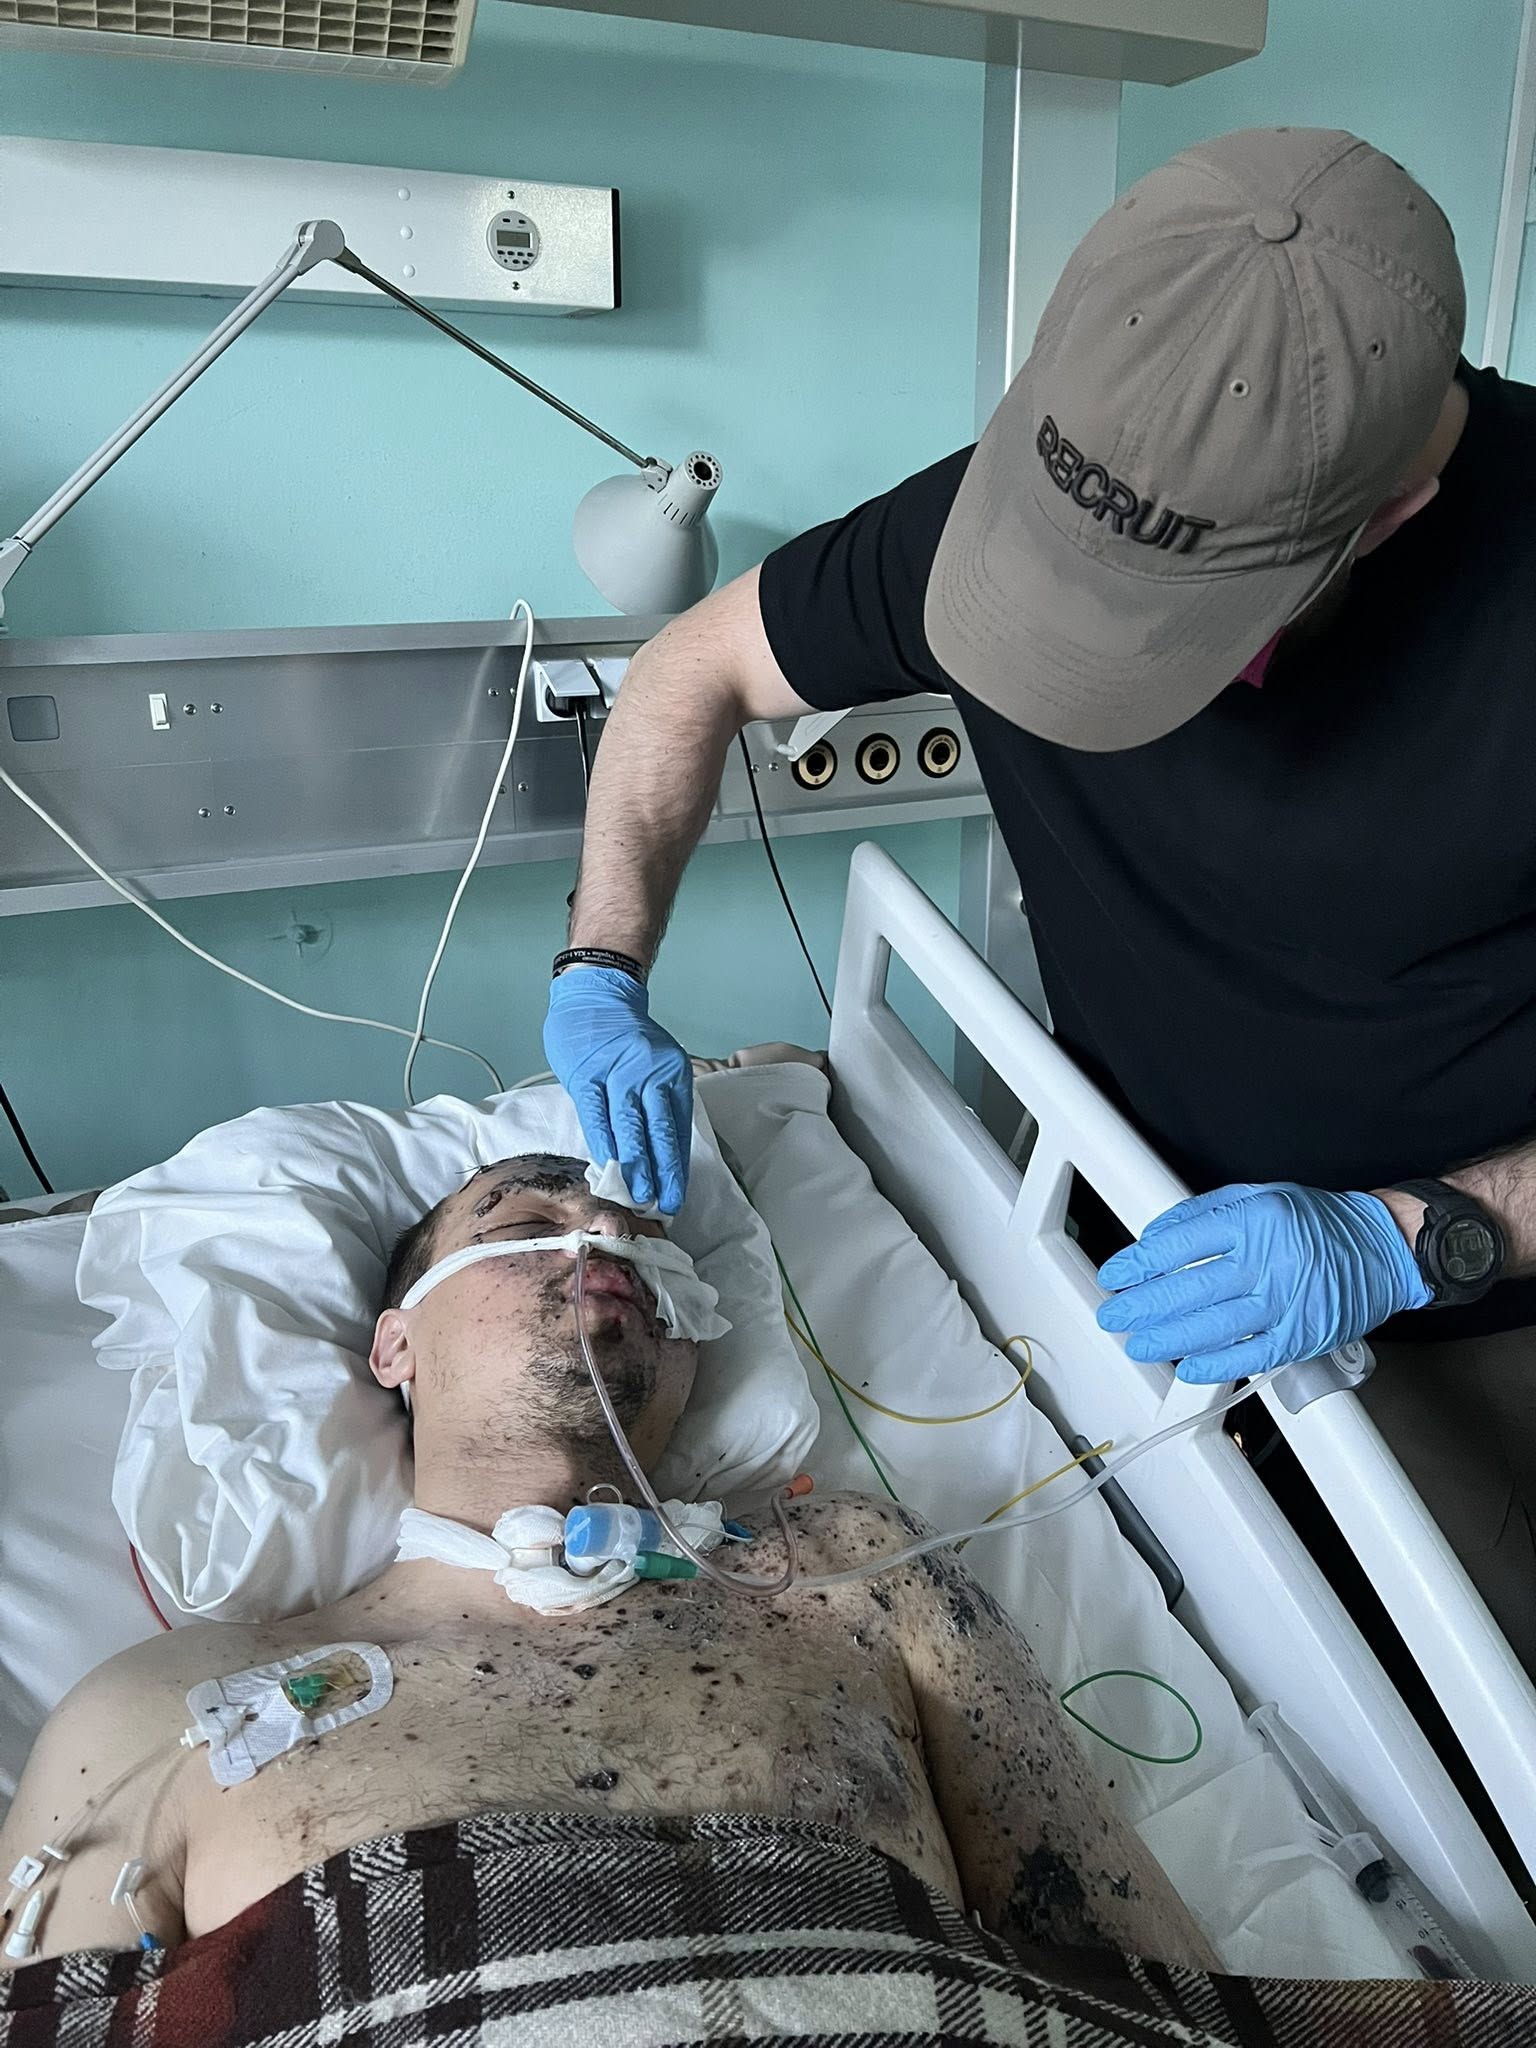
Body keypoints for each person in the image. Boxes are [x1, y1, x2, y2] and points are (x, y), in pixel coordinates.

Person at [542, 126, 1536, 1674]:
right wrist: (603, 962)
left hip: (1463, 1292)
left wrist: (1425, 1235)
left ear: (1391, 512)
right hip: (1125, 1224)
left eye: (1164, 628)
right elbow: (693, 669)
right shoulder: (1008, 504)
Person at [0, 1153, 1221, 2035]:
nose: (600, 1242)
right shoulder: (178, 1703)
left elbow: (1135, 1978)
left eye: (641, 1236)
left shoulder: (852, 1573)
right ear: (394, 1345)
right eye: (530, 1216)